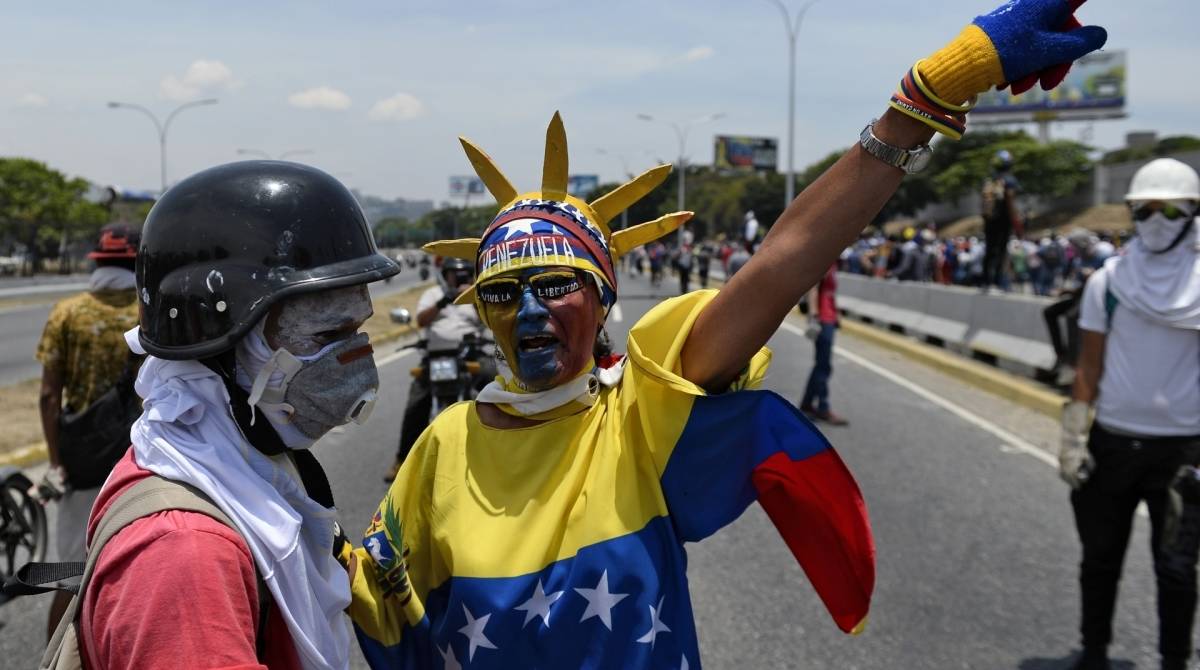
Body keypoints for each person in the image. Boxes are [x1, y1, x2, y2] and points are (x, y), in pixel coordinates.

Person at [348, 4, 1107, 664]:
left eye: (555, 286)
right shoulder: (441, 448)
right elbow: (366, 606)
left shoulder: (640, 415)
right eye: (503, 294)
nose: (532, 313)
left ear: (604, 296)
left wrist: (924, 98)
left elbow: (781, 265)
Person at [73, 161, 399, 668]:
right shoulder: (186, 554)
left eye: (358, 329)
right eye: (327, 336)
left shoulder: (247, 468)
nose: (356, 357)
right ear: (223, 341)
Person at [1059, 158, 1200, 670]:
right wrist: (1074, 435)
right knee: (1099, 558)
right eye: (1145, 209)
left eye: (1171, 208)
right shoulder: (1109, 282)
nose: (1157, 220)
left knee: (1178, 567)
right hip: (1114, 442)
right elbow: (1088, 366)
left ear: (1193, 212)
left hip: (1184, 451)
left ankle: (1174, 661)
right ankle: (1093, 651)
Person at [34, 223, 141, 639]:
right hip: (137, 457)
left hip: (80, 459)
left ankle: (55, 658)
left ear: (96, 261)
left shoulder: (67, 312)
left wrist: (56, 462)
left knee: (71, 573)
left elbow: (47, 395)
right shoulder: (145, 310)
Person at [386, 257, 488, 479]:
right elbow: (421, 320)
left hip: (471, 354)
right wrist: (445, 299)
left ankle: (508, 445)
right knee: (415, 404)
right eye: (454, 273)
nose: (459, 277)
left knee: (500, 383)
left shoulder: (477, 295)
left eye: (464, 273)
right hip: (436, 357)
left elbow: (489, 320)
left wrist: (470, 296)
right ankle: (402, 459)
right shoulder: (433, 294)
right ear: (445, 274)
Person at [799, 263, 848, 426]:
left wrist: (837, 312)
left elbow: (830, 292)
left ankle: (806, 404)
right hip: (823, 319)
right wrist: (814, 316)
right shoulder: (825, 259)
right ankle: (823, 407)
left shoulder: (833, 262)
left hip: (830, 318)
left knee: (821, 365)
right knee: (823, 366)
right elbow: (813, 288)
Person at [981, 149, 1021, 291]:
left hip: (989, 220)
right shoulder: (1010, 180)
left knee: (989, 250)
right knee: (1001, 250)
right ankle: (997, 282)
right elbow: (1010, 201)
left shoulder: (990, 179)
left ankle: (985, 282)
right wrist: (1015, 220)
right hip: (1004, 220)